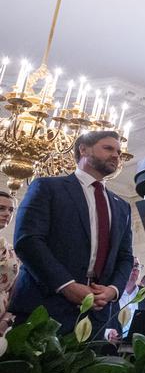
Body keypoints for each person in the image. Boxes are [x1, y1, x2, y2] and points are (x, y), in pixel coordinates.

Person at [8, 131, 134, 336]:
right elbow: (28, 241)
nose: (116, 155)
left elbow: (125, 256)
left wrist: (113, 290)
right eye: (108, 148)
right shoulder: (47, 187)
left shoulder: (122, 206)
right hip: (46, 306)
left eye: (119, 152)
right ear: (83, 149)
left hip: (97, 315)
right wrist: (66, 285)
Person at [0, 191, 20, 334]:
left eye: (11, 210)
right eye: (1, 208)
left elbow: (15, 291)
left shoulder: (12, 251)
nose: (7, 214)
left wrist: (6, 320)